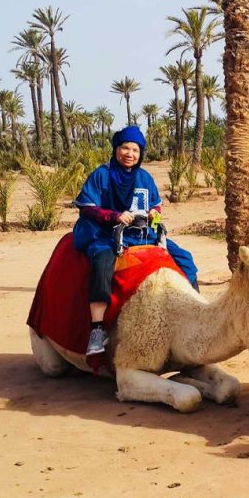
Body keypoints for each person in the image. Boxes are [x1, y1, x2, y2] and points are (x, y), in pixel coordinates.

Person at [72, 126, 198, 356]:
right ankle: (98, 328)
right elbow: (86, 206)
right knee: (102, 262)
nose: (129, 154)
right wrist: (113, 216)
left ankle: (195, 310)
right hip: (106, 234)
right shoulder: (101, 175)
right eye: (125, 148)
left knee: (184, 258)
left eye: (135, 150)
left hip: (142, 234)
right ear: (116, 149)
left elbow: (156, 204)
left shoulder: (144, 177)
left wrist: (154, 214)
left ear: (140, 154)